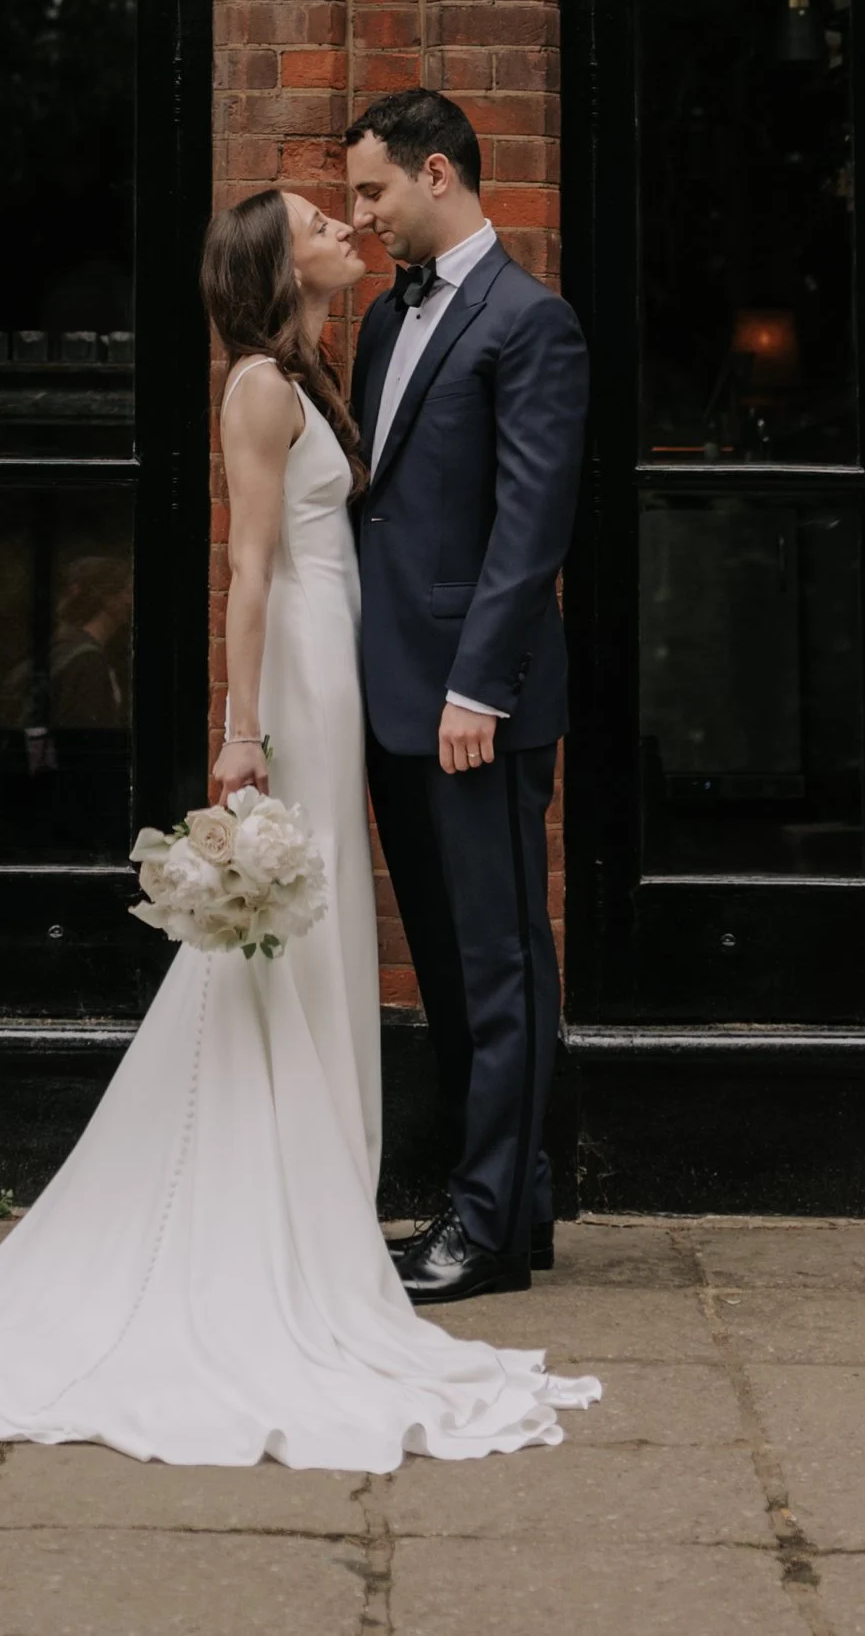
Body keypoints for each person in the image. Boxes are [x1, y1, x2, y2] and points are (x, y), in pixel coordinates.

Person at [0, 184, 595, 1468]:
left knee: (324, 927)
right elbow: (249, 566)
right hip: (301, 672)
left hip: (348, 662)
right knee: (295, 924)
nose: (343, 225)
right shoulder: (260, 386)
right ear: (277, 263)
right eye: (320, 219)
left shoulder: (320, 364)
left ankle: (315, 1198)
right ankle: (275, 1209)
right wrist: (239, 729)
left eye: (350, 203)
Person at [346, 87, 590, 1306]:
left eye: (374, 189)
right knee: (445, 960)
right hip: (390, 692)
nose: (362, 214)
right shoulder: (384, 318)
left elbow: (531, 526)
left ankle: (486, 1227)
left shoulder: (530, 321)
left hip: (470, 705)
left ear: (436, 172)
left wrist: (476, 687)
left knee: (500, 964)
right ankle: (509, 1205)